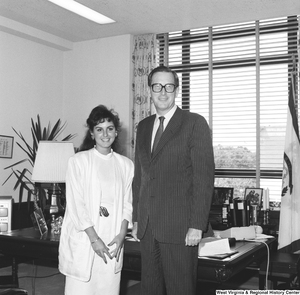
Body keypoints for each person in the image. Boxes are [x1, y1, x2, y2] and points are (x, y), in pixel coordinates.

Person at [132, 66, 215, 295]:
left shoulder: (194, 123)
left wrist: (197, 224)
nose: (163, 92)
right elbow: (140, 176)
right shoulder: (143, 127)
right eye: (157, 86)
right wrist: (136, 218)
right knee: (149, 289)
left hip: (180, 228)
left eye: (169, 86)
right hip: (148, 227)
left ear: (176, 90)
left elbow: (203, 179)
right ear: (150, 90)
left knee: (181, 289)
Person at [58, 105, 134, 295]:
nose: (105, 134)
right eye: (99, 129)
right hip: (86, 236)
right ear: (92, 133)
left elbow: (128, 204)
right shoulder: (78, 161)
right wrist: (94, 239)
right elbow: (76, 205)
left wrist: (121, 235)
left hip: (112, 239)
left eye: (110, 128)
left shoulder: (126, 165)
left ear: (116, 132)